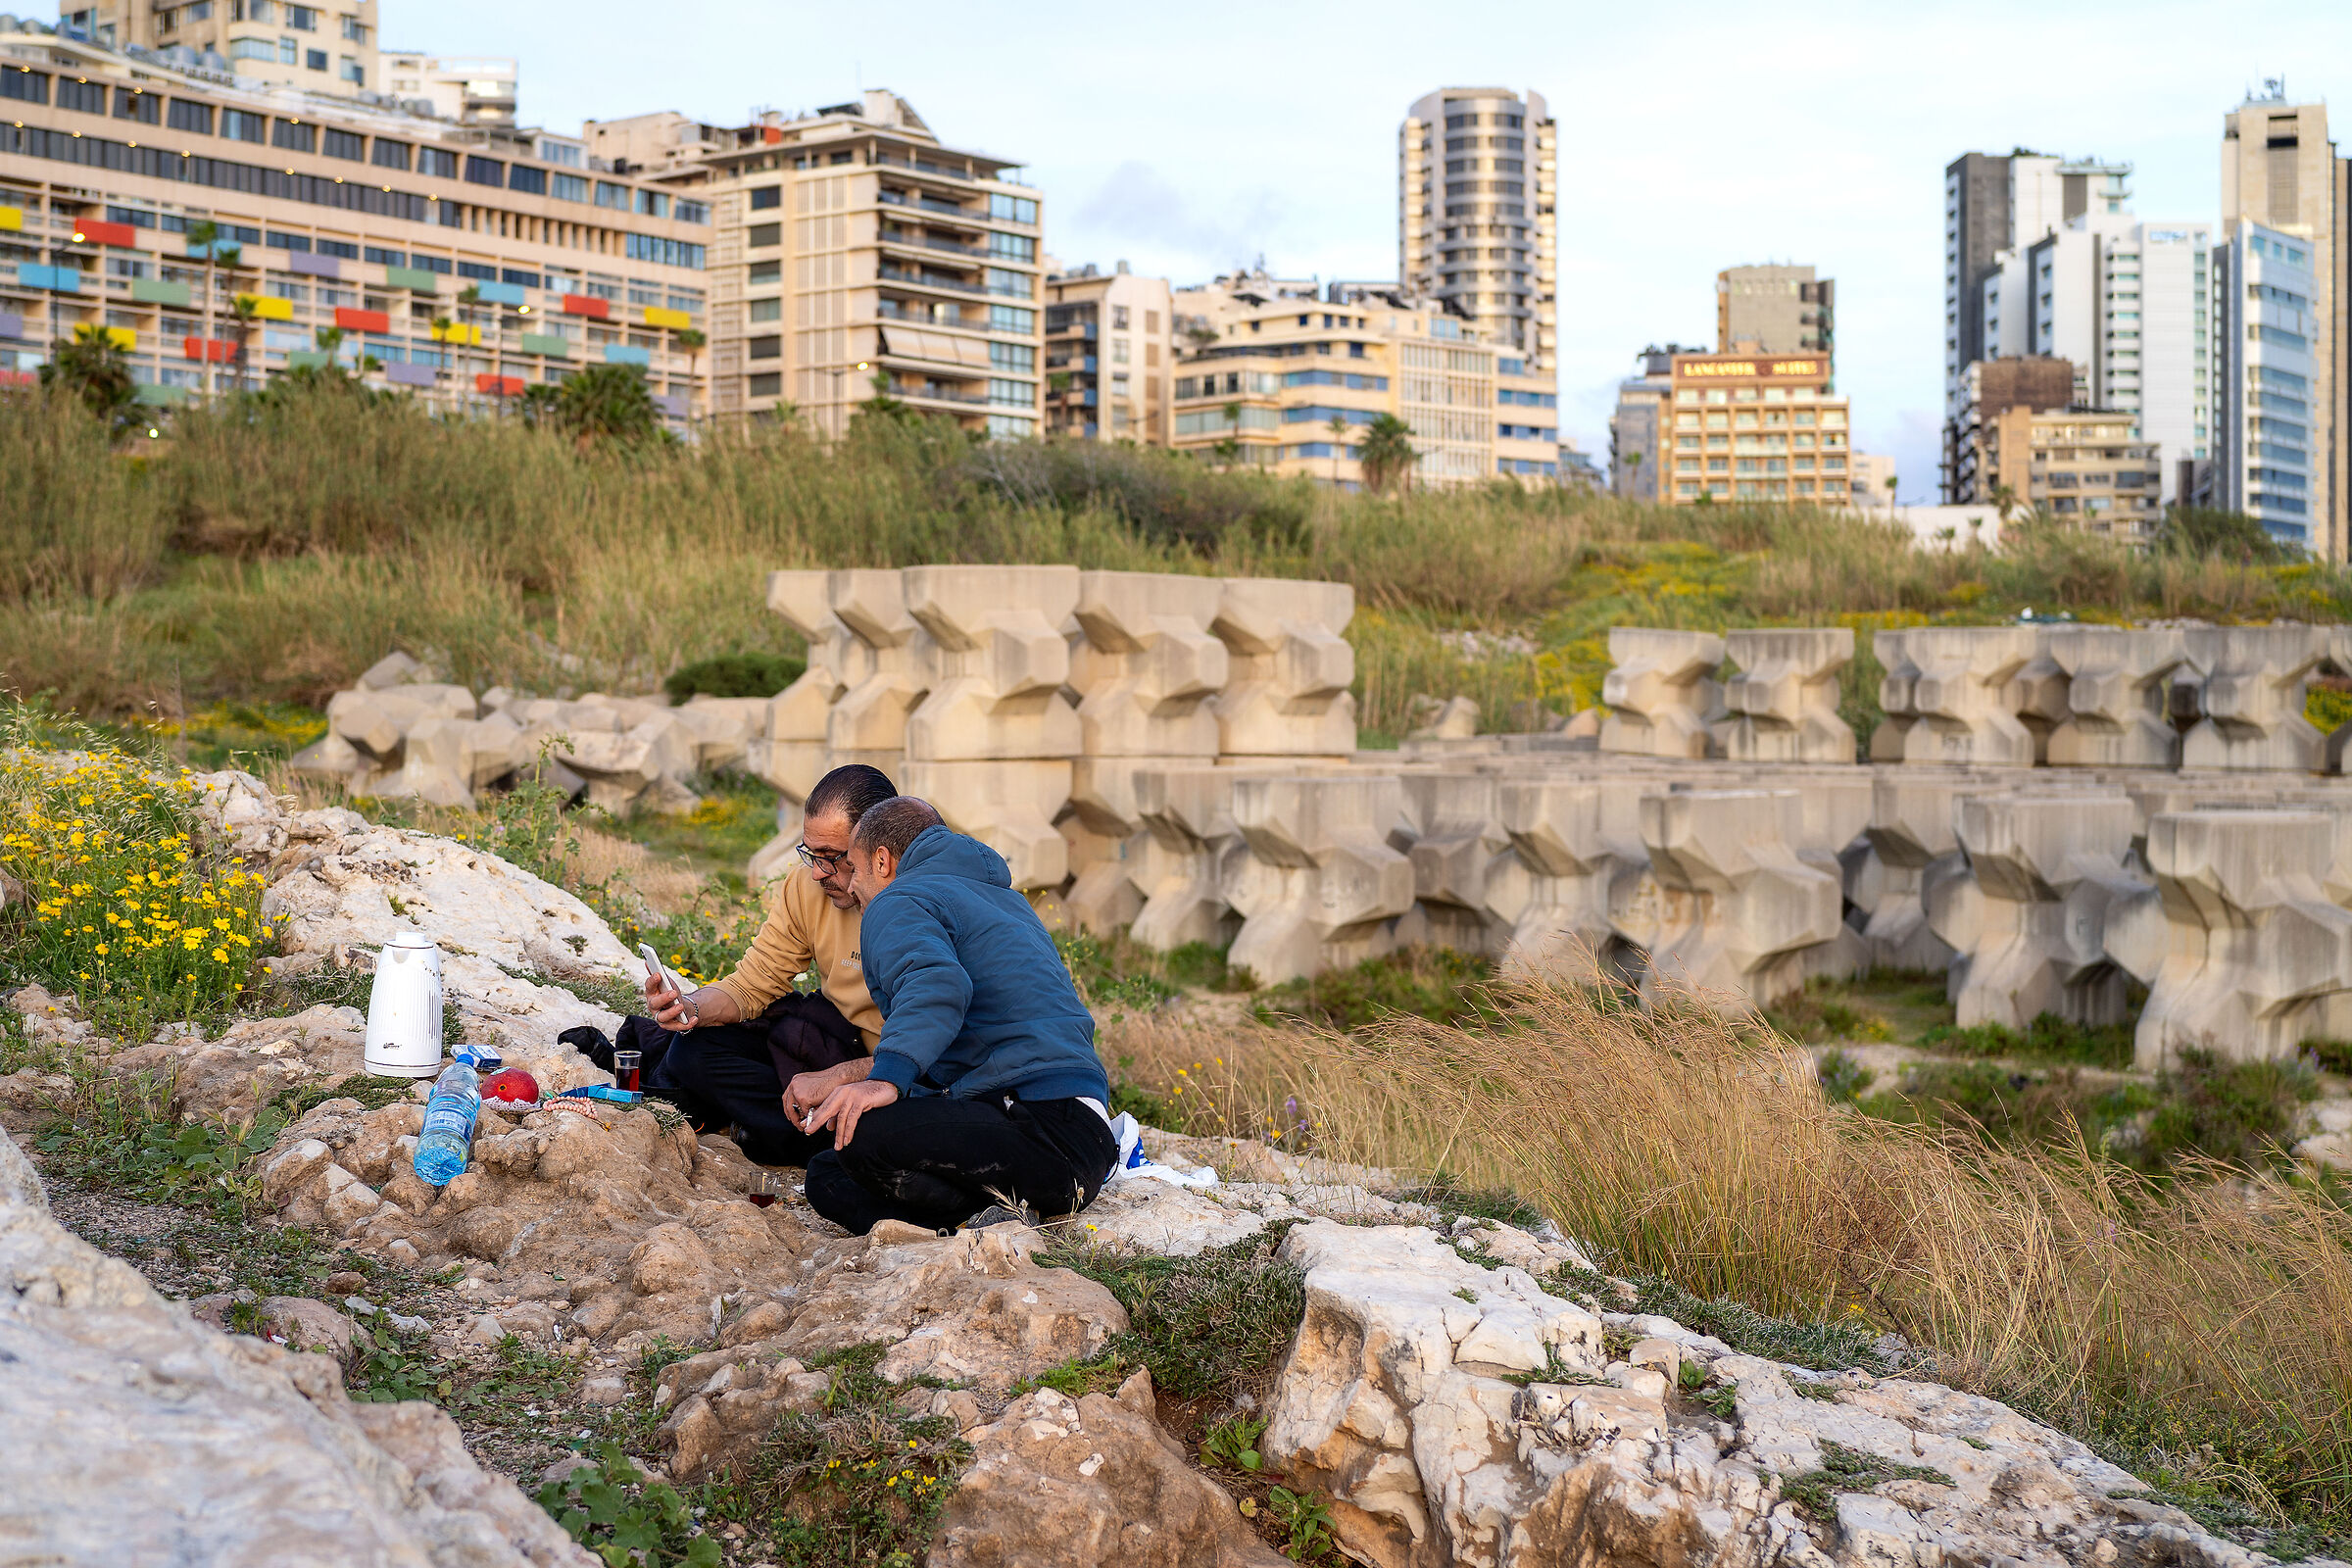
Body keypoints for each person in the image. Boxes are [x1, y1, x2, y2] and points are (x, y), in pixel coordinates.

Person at [801, 797, 1119, 1234]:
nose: (851, 886)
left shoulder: (899, 899)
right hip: (1086, 1146)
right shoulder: (1004, 900)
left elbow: (937, 985)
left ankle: (979, 1221)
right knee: (829, 1172)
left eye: (852, 868)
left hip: (1039, 1126)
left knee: (861, 1140)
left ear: (881, 862)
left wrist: (886, 1077)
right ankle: (993, 1214)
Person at [638, 763, 895, 1165]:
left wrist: (841, 1079)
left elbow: (931, 1051)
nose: (816, 872)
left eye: (831, 857)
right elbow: (754, 983)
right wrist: (689, 1007)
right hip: (835, 1046)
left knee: (885, 1125)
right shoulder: (806, 889)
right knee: (691, 1052)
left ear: (880, 852)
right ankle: (804, 1132)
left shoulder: (921, 908)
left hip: (898, 1072)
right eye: (811, 854)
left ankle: (790, 1135)